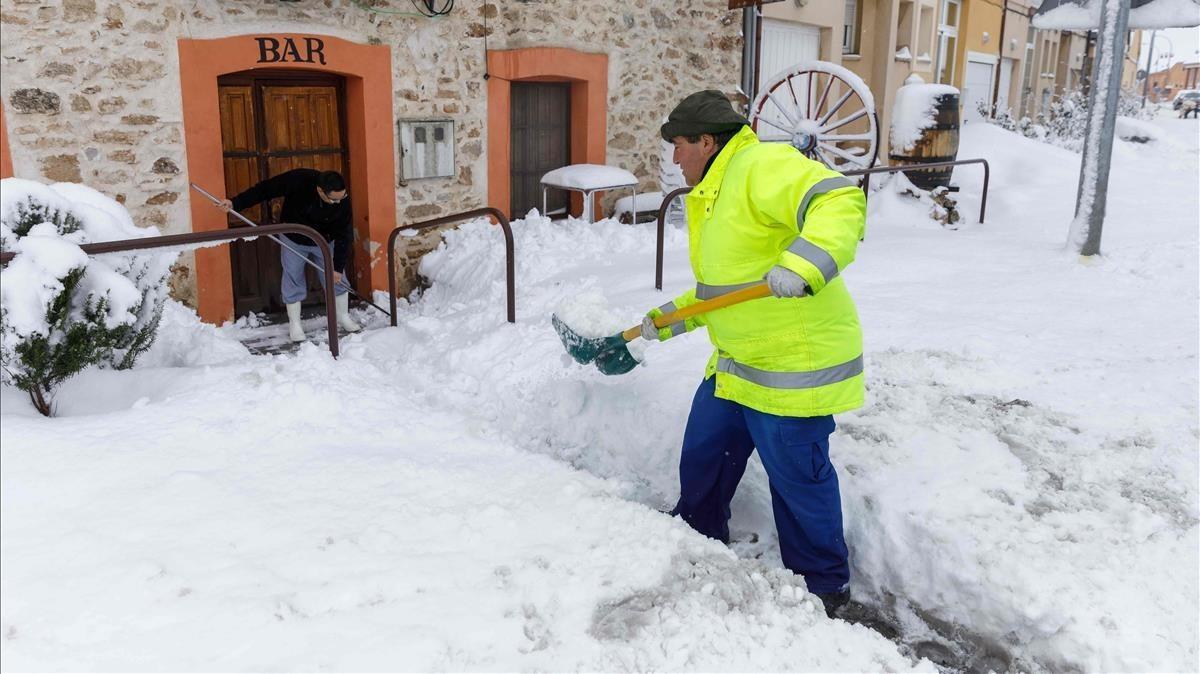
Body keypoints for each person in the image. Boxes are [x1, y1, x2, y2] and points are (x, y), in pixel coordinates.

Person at [645, 90, 867, 618]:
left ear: (706, 140)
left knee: (797, 481)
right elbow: (726, 288)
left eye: (680, 145)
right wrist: (666, 321)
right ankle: (698, 535)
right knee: (703, 458)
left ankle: (823, 587)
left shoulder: (761, 165)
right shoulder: (714, 192)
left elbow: (839, 200)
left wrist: (804, 264)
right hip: (736, 364)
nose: (675, 158)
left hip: (792, 365)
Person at [221, 169, 361, 341]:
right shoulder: (298, 180)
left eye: (342, 197)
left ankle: (343, 316)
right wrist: (235, 203)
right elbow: (265, 189)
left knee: (337, 278)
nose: (337, 202)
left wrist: (338, 268)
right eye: (333, 199)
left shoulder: (342, 202)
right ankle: (295, 324)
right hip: (293, 239)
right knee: (293, 277)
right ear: (319, 191)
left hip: (324, 240)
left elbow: (343, 235)